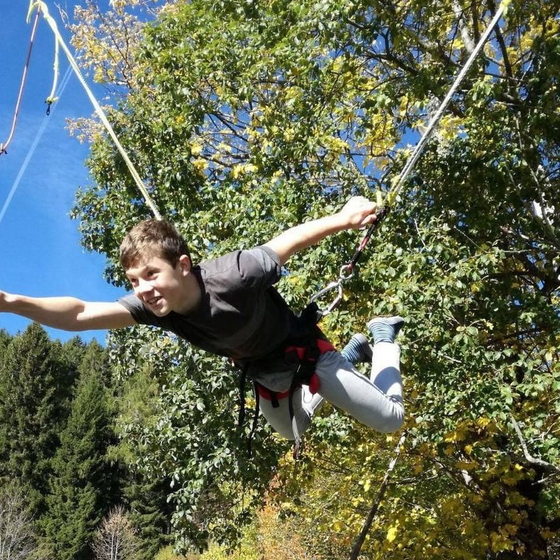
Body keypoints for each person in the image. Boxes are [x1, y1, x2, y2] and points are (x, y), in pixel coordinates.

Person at [0, 196, 404, 447]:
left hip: (307, 356)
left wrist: (346, 217)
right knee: (291, 433)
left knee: (389, 420)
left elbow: (290, 240)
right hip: (265, 374)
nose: (142, 289)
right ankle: (354, 352)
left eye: (151, 275)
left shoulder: (236, 275)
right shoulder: (154, 307)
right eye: (134, 281)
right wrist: (10, 302)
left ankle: (382, 336)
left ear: (184, 266)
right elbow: (80, 313)